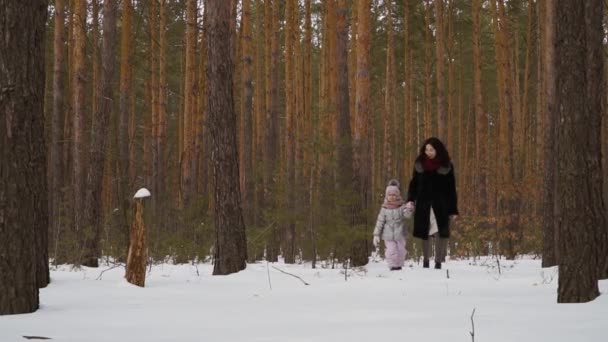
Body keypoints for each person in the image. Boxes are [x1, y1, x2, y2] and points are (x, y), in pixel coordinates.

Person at [406, 137, 459, 269]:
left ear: (438, 150)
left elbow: (451, 188)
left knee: (441, 232)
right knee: (425, 231)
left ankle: (438, 262)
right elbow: (414, 183)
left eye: (431, 149)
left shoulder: (446, 166)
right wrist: (411, 199)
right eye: (426, 149)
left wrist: (453, 209)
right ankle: (425, 261)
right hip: (424, 203)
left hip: (441, 204)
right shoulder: (419, 164)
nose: (428, 152)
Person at [373, 179, 414, 271]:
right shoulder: (384, 208)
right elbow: (380, 221)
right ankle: (393, 266)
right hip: (388, 234)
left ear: (397, 195)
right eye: (390, 195)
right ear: (387, 196)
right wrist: (376, 234)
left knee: (401, 250)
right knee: (391, 250)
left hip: (400, 233)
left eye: (394, 195)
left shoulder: (401, 206)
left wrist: (409, 209)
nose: (392, 197)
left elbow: (407, 216)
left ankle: (399, 265)